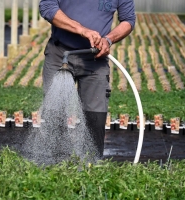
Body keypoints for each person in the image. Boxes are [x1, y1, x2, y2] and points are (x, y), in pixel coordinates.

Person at [39, 0, 136, 158]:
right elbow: (47, 7)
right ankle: (55, 168)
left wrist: (108, 39)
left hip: (95, 58)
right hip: (60, 52)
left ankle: (91, 168)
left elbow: (128, 20)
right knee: (54, 115)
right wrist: (82, 30)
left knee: (95, 119)